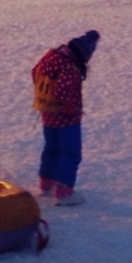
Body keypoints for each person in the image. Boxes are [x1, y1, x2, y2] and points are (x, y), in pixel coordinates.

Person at [32, 29, 99, 207]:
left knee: (52, 148)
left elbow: (34, 73)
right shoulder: (70, 68)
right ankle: (63, 191)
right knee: (70, 152)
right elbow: (62, 90)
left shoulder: (51, 57)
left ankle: (45, 182)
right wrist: (70, 106)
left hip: (47, 114)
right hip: (66, 119)